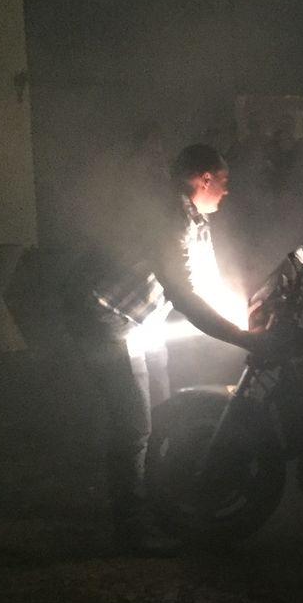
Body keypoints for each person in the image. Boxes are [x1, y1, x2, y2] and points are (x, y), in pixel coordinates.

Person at [65, 143, 262, 553]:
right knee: (135, 424)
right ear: (204, 179)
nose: (227, 191)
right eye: (224, 181)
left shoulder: (195, 218)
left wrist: (245, 315)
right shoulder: (170, 217)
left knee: (162, 412)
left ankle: (159, 503)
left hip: (140, 321)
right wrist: (239, 336)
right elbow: (183, 293)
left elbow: (204, 282)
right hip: (105, 318)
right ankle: (131, 530)